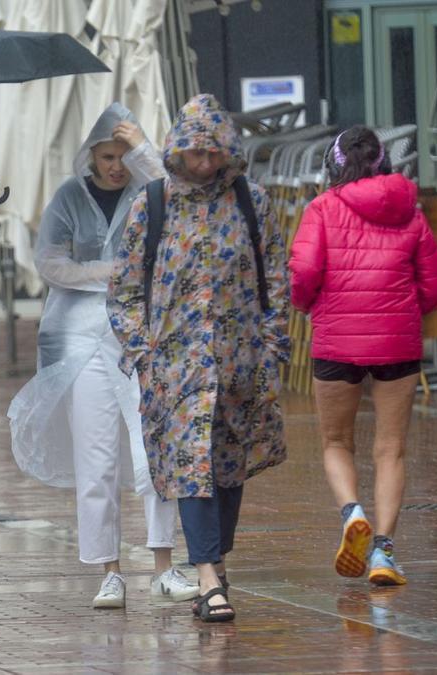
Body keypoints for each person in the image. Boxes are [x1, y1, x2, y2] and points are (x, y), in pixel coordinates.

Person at [107, 94, 290, 622]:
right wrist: (141, 348)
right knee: (192, 467)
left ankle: (217, 562)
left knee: (228, 469)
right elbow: (122, 288)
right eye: (194, 154)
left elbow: (275, 273)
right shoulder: (153, 204)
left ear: (228, 152)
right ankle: (207, 577)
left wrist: (274, 339)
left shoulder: (252, 201)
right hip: (175, 366)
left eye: (213, 154)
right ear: (177, 152)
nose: (204, 164)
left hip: (240, 362)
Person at [8, 103, 199, 609]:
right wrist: (112, 273)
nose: (116, 164)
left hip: (142, 336)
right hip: (80, 340)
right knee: (97, 458)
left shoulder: (147, 192)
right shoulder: (68, 198)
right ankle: (108, 571)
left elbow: (180, 203)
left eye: (123, 155)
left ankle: (164, 563)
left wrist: (144, 149)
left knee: (153, 448)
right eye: (108, 155)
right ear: (90, 155)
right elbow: (50, 263)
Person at [289, 125, 437, 586]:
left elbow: (302, 272)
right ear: (385, 163)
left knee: (337, 442)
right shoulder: (412, 214)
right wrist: (405, 310)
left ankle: (351, 512)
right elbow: (436, 284)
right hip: (396, 342)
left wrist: (307, 305)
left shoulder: (320, 208)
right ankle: (383, 553)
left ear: (334, 165)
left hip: (337, 340)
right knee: (390, 449)